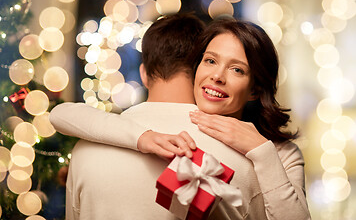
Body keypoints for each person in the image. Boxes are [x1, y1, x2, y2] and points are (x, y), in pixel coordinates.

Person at [50, 17, 311, 219]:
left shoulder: (274, 155)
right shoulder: (121, 133)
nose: (217, 76)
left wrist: (261, 150)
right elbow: (63, 114)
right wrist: (143, 138)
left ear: (255, 88)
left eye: (237, 69)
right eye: (210, 61)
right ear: (194, 68)